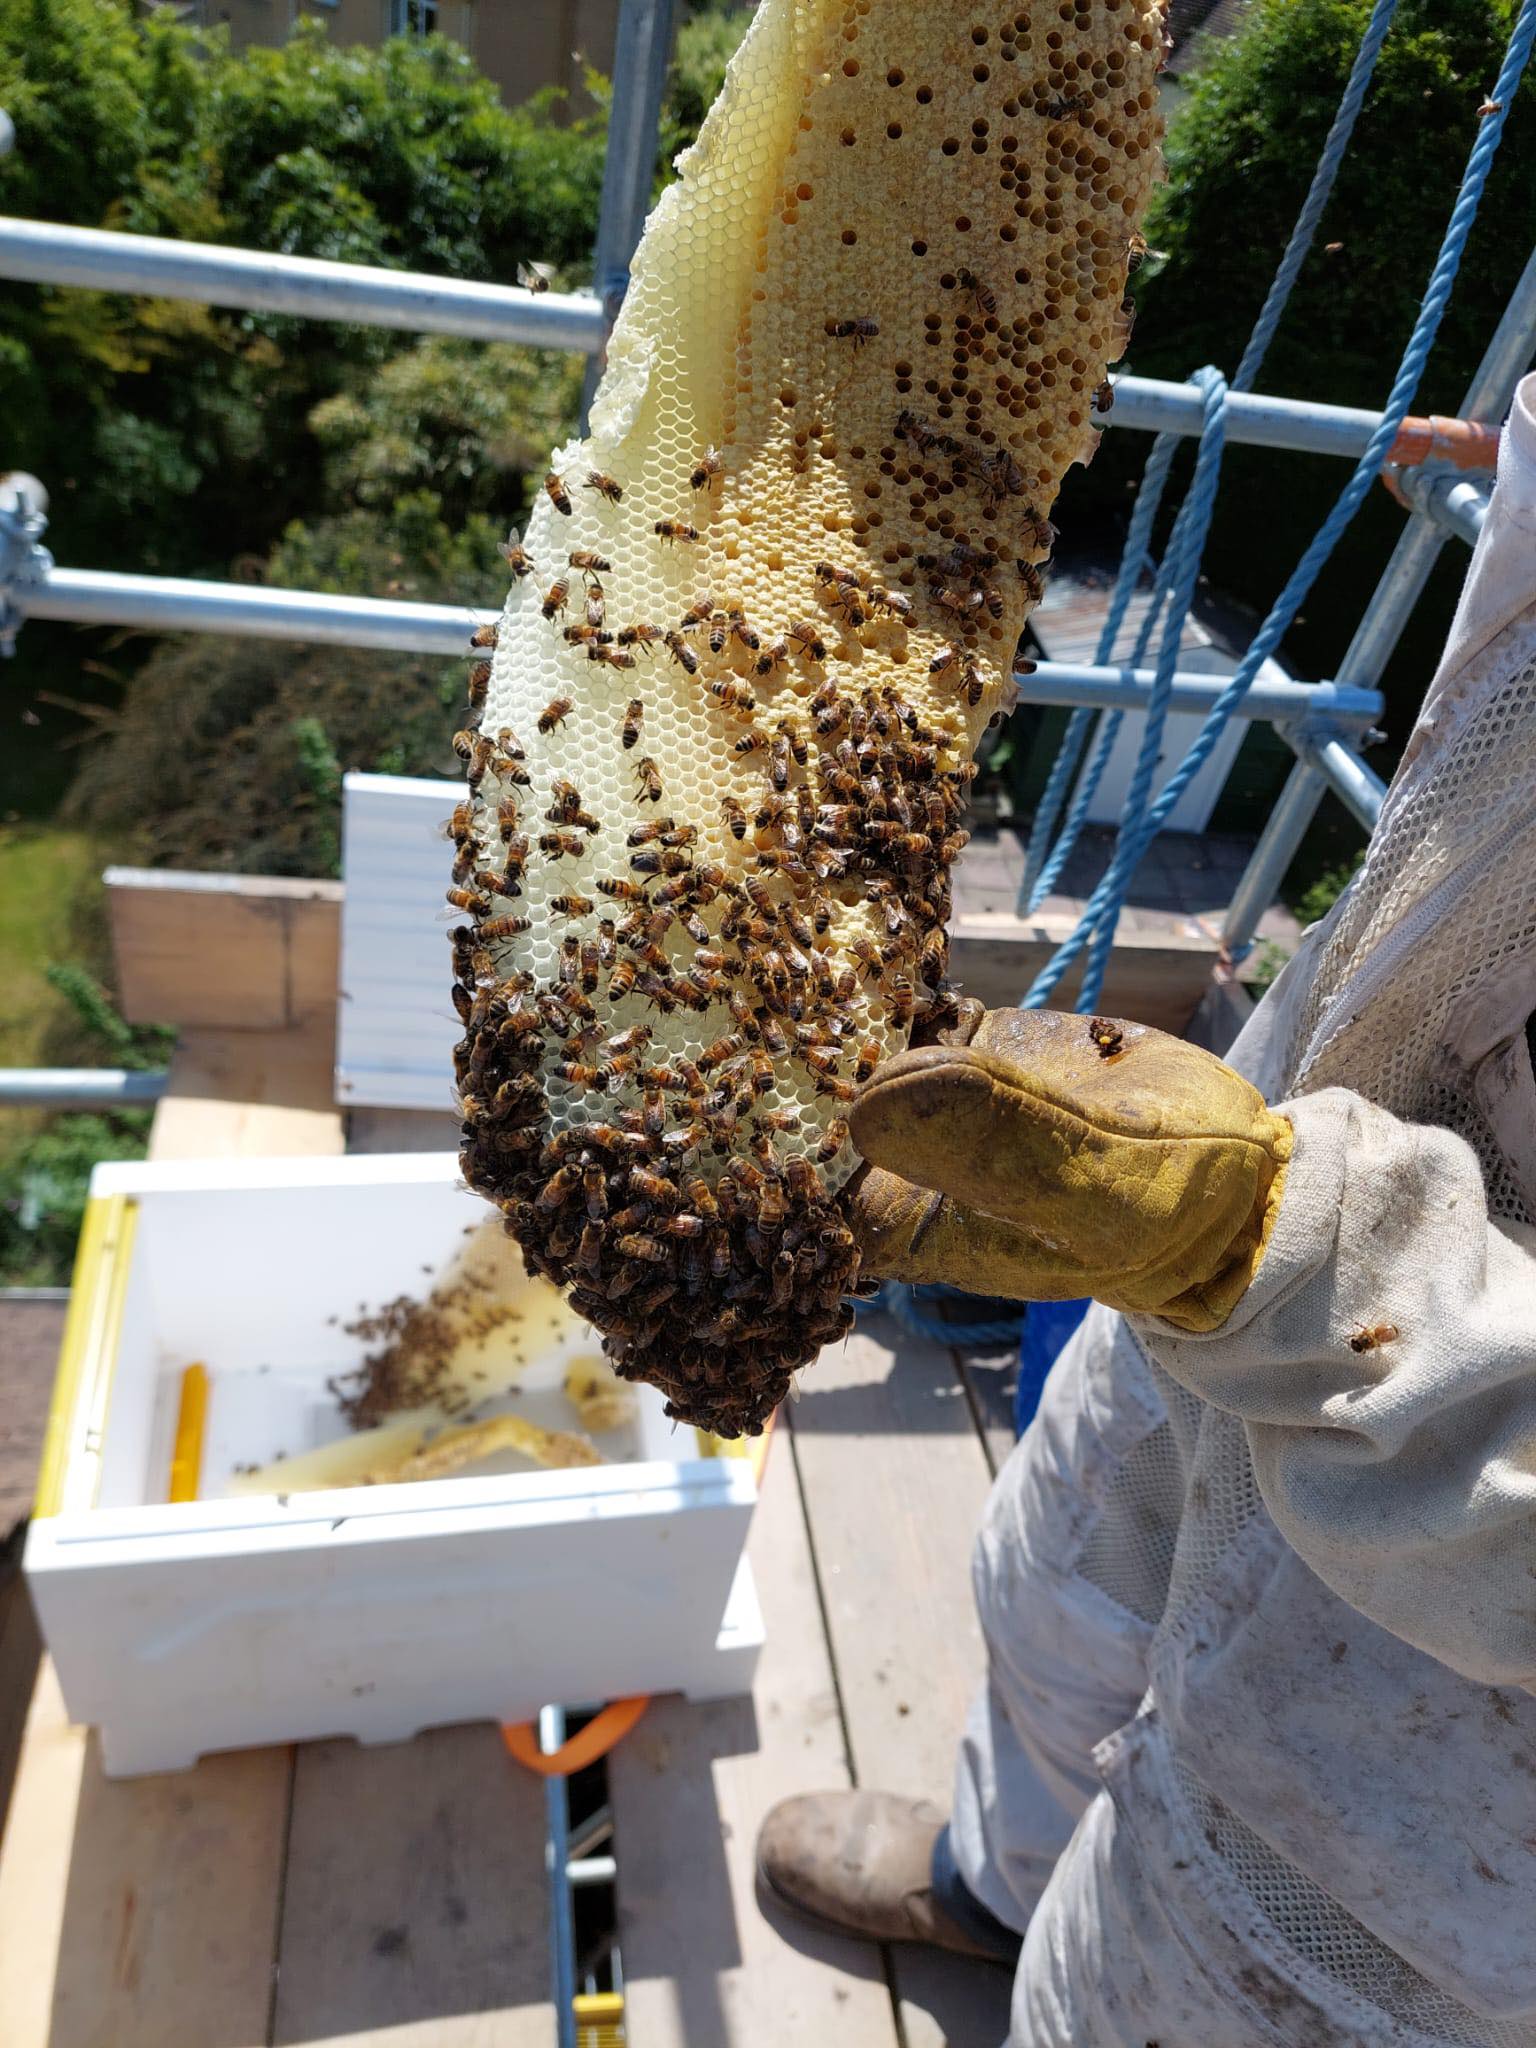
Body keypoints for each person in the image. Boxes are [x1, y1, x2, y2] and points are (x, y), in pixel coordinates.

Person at [758, 370, 1536, 2047]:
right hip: (1306, 1133)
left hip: (1454, 1744)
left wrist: (1288, 1256)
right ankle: (986, 1880)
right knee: (1063, 1573)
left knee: (1197, 1953)